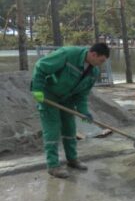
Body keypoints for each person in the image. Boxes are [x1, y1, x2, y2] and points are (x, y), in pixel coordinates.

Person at [31, 43, 110, 178]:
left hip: (68, 99)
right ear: (93, 54)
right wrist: (37, 88)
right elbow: (41, 66)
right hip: (49, 95)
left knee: (70, 128)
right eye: (101, 60)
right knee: (52, 130)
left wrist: (83, 111)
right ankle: (53, 166)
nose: (101, 64)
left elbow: (82, 95)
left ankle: (72, 160)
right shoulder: (68, 54)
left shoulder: (94, 72)